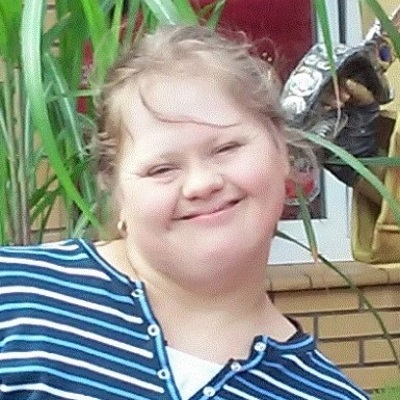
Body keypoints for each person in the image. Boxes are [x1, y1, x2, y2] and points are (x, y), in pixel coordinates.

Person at [0, 25, 369, 399]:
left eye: (226, 148)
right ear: (117, 190)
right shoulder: (16, 296)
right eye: (162, 169)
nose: (201, 184)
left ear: (283, 152)